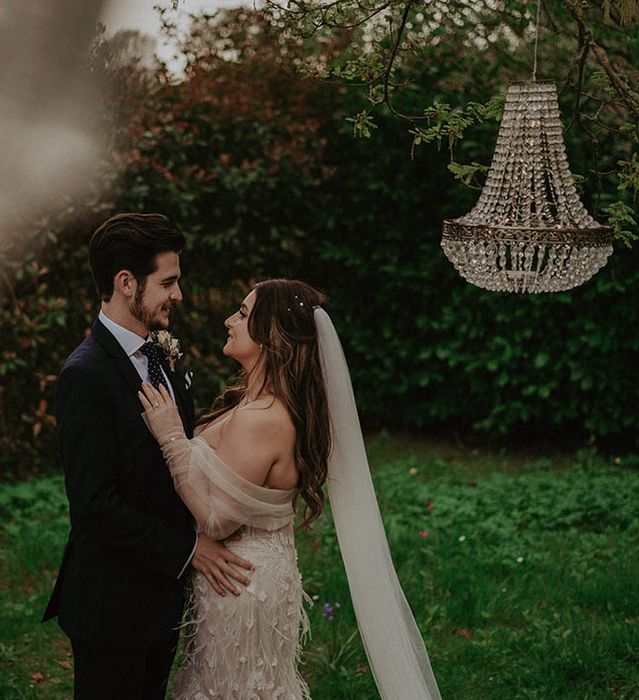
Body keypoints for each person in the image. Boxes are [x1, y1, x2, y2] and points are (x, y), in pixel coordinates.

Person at [139, 278, 442, 699]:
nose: (229, 320)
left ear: (272, 335)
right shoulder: (254, 401)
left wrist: (172, 437)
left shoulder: (262, 417)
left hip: (240, 582)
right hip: (244, 574)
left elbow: (217, 519)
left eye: (243, 314)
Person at [42, 213, 253, 700]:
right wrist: (188, 549)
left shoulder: (162, 354)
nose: (178, 295)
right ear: (125, 283)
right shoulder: (86, 376)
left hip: (160, 598)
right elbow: (94, 504)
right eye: (168, 282)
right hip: (111, 607)